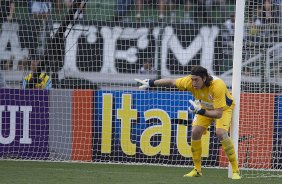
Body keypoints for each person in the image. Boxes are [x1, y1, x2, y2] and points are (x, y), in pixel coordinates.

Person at [135, 66, 241, 180]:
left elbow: (218, 114)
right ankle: (197, 170)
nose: (193, 82)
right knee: (195, 132)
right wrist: (151, 83)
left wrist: (200, 111)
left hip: (223, 109)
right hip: (205, 106)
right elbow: (171, 82)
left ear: (204, 78)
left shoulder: (217, 86)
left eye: (196, 80)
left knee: (221, 133)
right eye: (192, 79)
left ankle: (236, 170)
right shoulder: (189, 82)